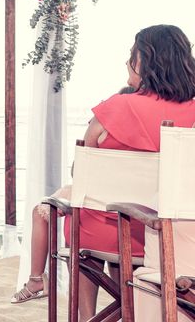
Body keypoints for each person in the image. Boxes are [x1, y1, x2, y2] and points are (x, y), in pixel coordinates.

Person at [64, 25, 195, 321]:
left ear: (145, 60)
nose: (127, 62)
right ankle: (129, 309)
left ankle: (87, 317)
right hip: (170, 238)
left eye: (131, 55)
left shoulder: (116, 107)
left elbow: (81, 171)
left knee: (84, 213)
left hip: (108, 234)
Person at [11, 85, 137, 304]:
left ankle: (36, 279)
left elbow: (79, 171)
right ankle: (124, 307)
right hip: (136, 229)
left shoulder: (103, 128)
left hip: (96, 216)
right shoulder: (143, 138)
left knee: (43, 211)